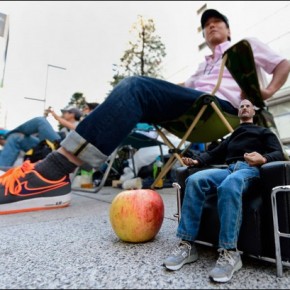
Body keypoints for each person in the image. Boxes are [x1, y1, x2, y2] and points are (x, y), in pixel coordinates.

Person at [0, 9, 289, 214]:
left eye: (217, 22)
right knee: (131, 93)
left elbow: (283, 64)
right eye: (207, 24)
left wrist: (266, 92)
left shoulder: (242, 46)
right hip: (192, 107)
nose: (212, 26)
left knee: (135, 87)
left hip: (219, 109)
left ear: (228, 29)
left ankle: (51, 174)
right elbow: (181, 87)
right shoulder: (202, 65)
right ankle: (54, 174)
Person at [163, 99, 285, 283]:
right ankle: (187, 245)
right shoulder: (233, 136)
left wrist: (263, 158)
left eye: (248, 105)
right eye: (241, 106)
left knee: (230, 184)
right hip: (228, 169)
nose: (244, 107)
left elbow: (279, 153)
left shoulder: (263, 132)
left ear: (254, 112)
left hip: (249, 170)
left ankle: (230, 252)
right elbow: (213, 153)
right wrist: (197, 161)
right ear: (238, 113)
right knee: (195, 180)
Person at [0, 106, 82, 168]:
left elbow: (76, 129)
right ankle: (2, 172)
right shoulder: (64, 129)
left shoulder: (80, 124)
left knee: (40, 121)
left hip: (62, 150)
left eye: (66, 112)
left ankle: (6, 134)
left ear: (72, 114)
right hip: (48, 148)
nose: (63, 114)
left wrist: (54, 115)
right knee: (16, 137)